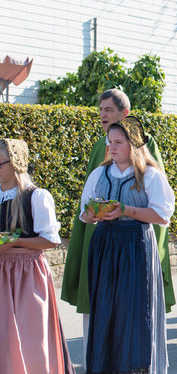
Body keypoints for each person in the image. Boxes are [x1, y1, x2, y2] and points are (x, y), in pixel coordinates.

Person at [61, 88, 175, 367]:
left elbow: (162, 215)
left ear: (133, 144)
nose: (111, 147)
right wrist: (91, 215)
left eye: (118, 142)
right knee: (105, 310)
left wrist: (126, 210)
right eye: (110, 142)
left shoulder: (150, 175)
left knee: (134, 311)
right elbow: (83, 214)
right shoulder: (100, 173)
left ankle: (136, 368)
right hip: (105, 246)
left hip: (136, 245)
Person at [0, 139, 74, 374]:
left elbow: (51, 240)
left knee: (29, 336)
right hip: (2, 271)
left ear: (14, 164)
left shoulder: (35, 197)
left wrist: (16, 242)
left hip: (26, 273)